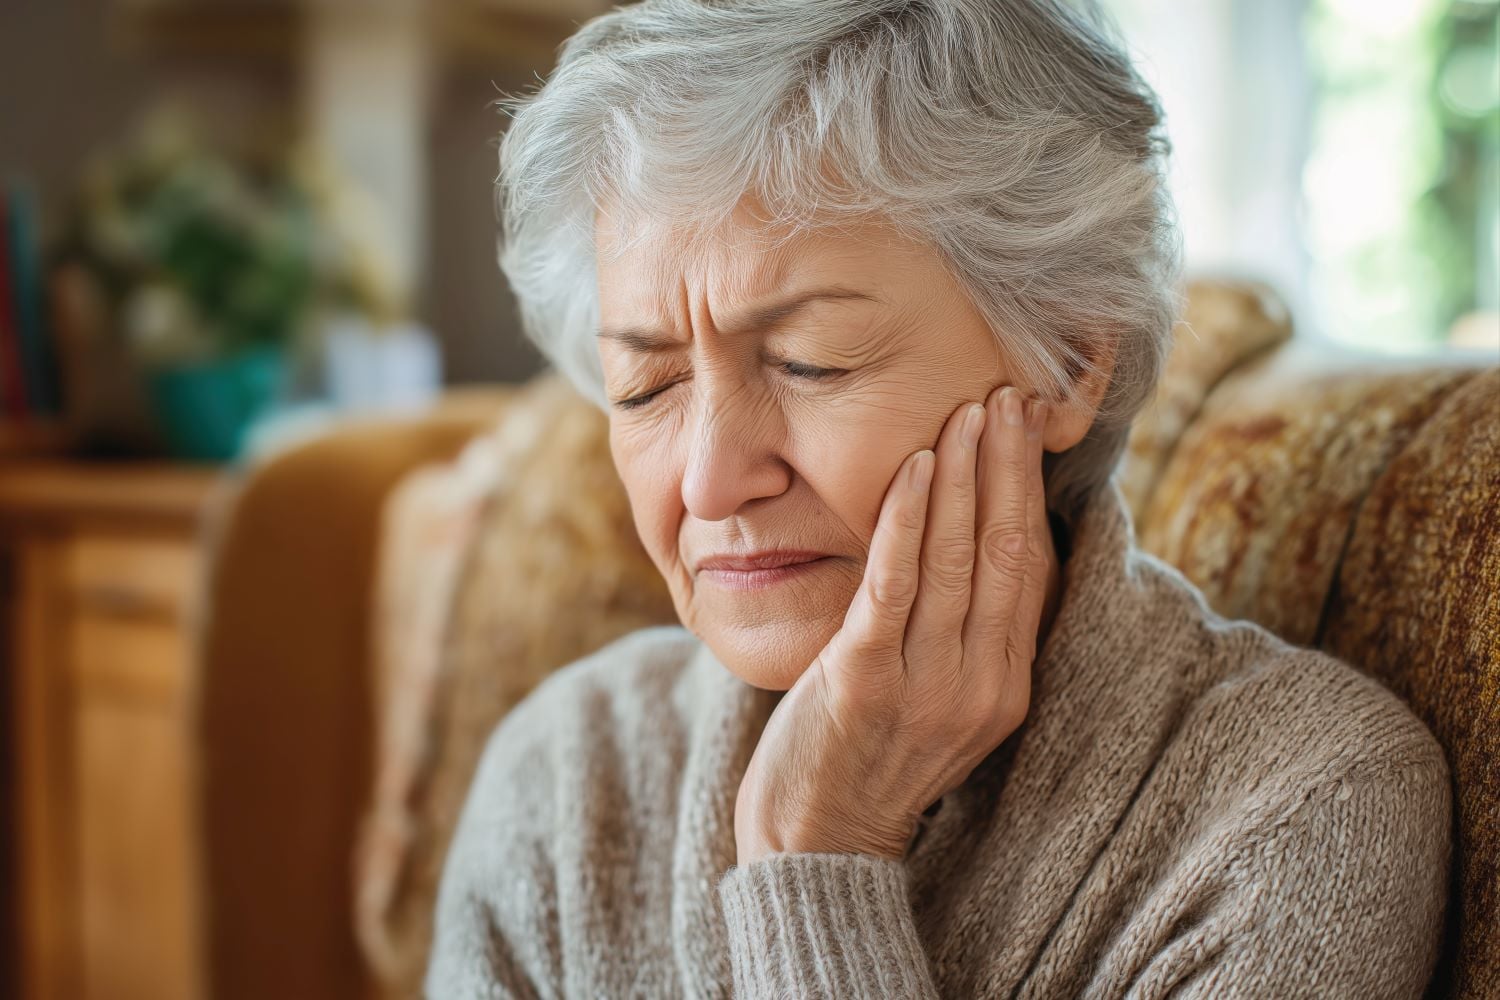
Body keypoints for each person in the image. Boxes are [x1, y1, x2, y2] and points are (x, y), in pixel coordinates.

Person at [426, 1, 1452, 996]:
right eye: (646, 385)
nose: (708, 481)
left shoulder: (1300, 805)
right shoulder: (564, 778)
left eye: (809, 361)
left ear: (1066, 362)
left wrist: (814, 860)